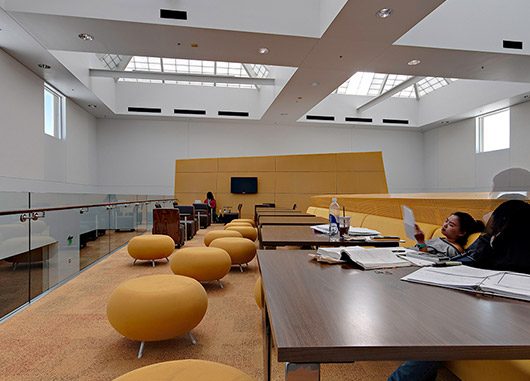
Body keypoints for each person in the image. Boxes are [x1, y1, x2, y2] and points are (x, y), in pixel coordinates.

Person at [388, 200, 530, 381]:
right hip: (490, 311)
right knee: (435, 323)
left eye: (493, 213)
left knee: (438, 332)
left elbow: (468, 261)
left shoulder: (499, 248)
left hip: (503, 321)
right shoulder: (505, 249)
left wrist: (487, 234)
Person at [411, 212, 485, 258]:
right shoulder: (441, 239)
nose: (445, 225)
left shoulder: (452, 250)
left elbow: (425, 260)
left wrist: (420, 241)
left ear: (461, 233)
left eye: (451, 225)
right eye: (446, 221)